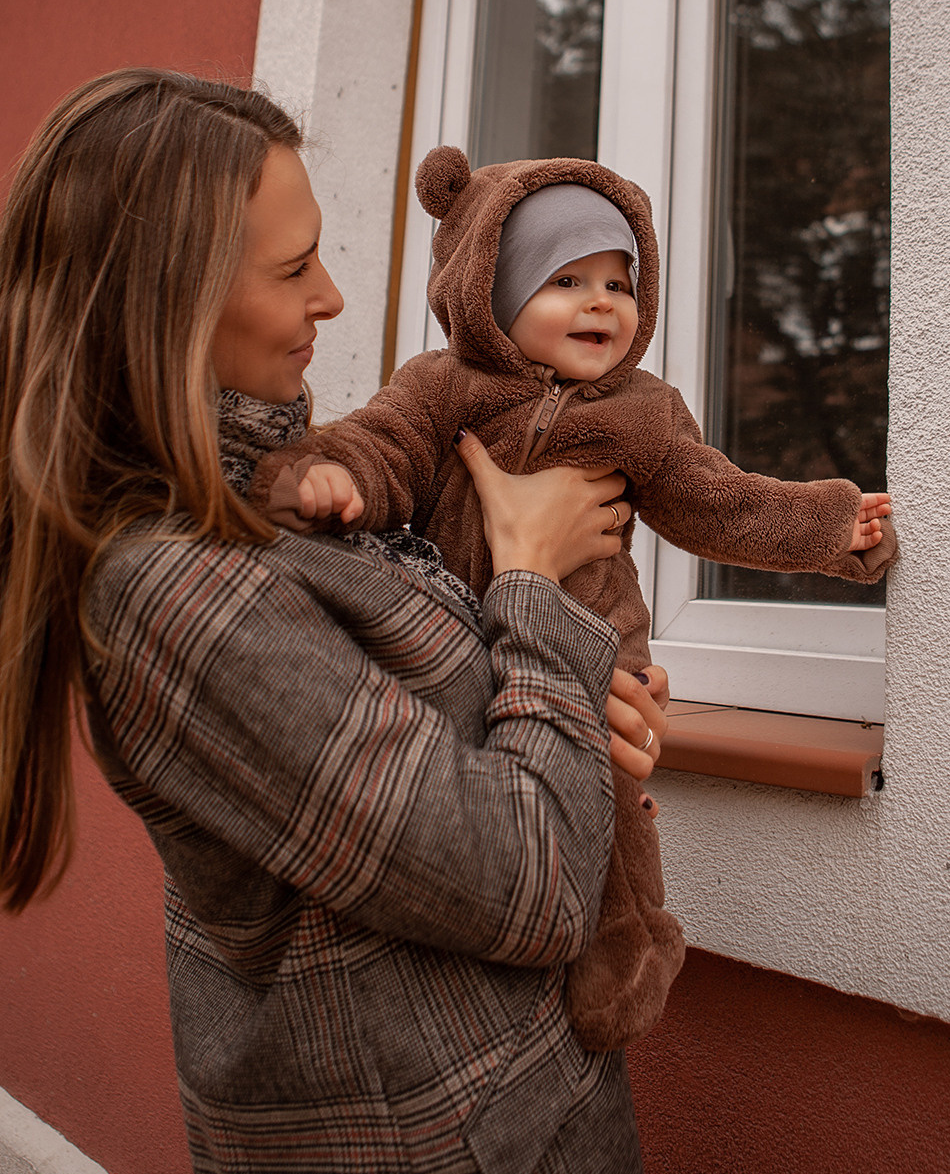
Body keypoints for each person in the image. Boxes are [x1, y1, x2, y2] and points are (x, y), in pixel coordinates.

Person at [0, 71, 672, 1174]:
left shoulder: (275, 494)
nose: (330, 298)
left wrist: (583, 708)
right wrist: (531, 579)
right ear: (169, 303)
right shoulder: (171, 590)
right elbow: (526, 881)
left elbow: (453, 745)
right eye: (295, 268)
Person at [245, 146, 897, 1052]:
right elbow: (380, 445)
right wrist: (323, 475)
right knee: (487, 818)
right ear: (491, 293)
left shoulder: (643, 412)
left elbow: (722, 501)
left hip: (594, 647)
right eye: (566, 279)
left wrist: (829, 527)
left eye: (619, 283)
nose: (601, 303)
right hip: (447, 650)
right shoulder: (441, 389)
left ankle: (629, 944)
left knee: (608, 802)